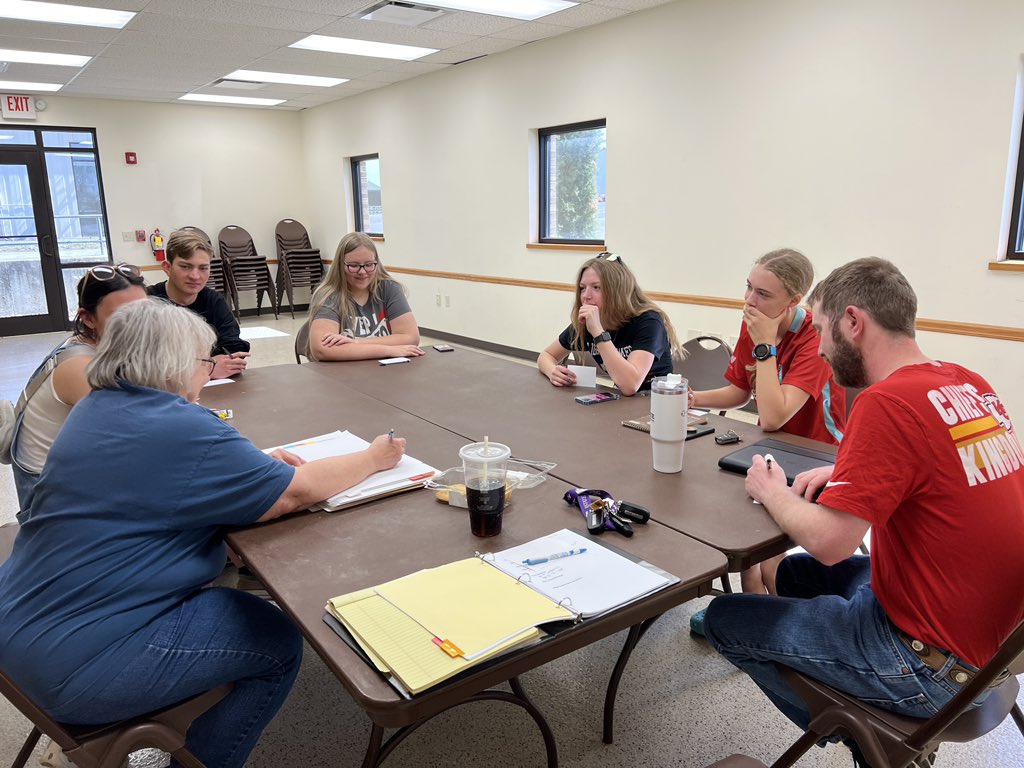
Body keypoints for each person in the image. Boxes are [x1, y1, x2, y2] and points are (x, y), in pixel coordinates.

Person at [0, 299, 406, 768]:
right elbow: (295, 494)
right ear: (173, 364)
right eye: (204, 360)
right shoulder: (183, 427)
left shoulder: (95, 410)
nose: (208, 370)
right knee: (275, 639)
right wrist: (375, 458)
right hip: (78, 666)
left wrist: (245, 474)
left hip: (21, 627)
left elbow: (155, 487)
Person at [702, 258, 1024, 765]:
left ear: (854, 322)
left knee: (724, 618)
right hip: (992, 650)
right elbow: (946, 472)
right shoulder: (966, 383)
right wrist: (851, 477)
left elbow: (832, 543)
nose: (823, 346)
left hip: (929, 665)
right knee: (792, 575)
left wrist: (773, 491)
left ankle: (867, 737)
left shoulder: (885, 401)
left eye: (826, 329)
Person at [688, 248, 847, 604]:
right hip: (772, 449)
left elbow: (775, 415)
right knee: (738, 526)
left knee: (769, 556)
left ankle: (777, 617)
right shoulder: (757, 323)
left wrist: (764, 346)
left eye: (762, 293)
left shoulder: (812, 338)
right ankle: (754, 607)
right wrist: (693, 398)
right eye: (748, 288)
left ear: (792, 300)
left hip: (817, 455)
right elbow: (739, 392)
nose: (749, 300)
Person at [9, 263, 147, 515]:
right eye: (123, 317)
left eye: (143, 314)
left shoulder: (97, 345)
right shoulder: (80, 367)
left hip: (73, 481)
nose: (139, 327)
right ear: (87, 318)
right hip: (48, 505)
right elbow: (132, 437)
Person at [537, 252, 680, 396]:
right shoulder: (590, 320)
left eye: (596, 287)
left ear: (617, 290)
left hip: (656, 401)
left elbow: (630, 385)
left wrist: (598, 333)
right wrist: (552, 371)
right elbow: (546, 355)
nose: (586, 295)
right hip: (621, 401)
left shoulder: (648, 321)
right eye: (582, 288)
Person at [148, 229, 250, 378]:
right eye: (185, 266)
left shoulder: (215, 301)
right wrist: (206, 367)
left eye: (203, 268)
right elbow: (143, 360)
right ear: (167, 268)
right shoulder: (147, 302)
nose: (195, 276)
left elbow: (233, 346)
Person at [307, 232, 422, 361]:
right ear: (340, 265)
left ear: (376, 263)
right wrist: (388, 350)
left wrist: (354, 343)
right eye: (354, 266)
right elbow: (321, 349)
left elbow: (411, 337)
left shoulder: (389, 288)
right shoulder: (328, 296)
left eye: (368, 265)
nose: (362, 272)